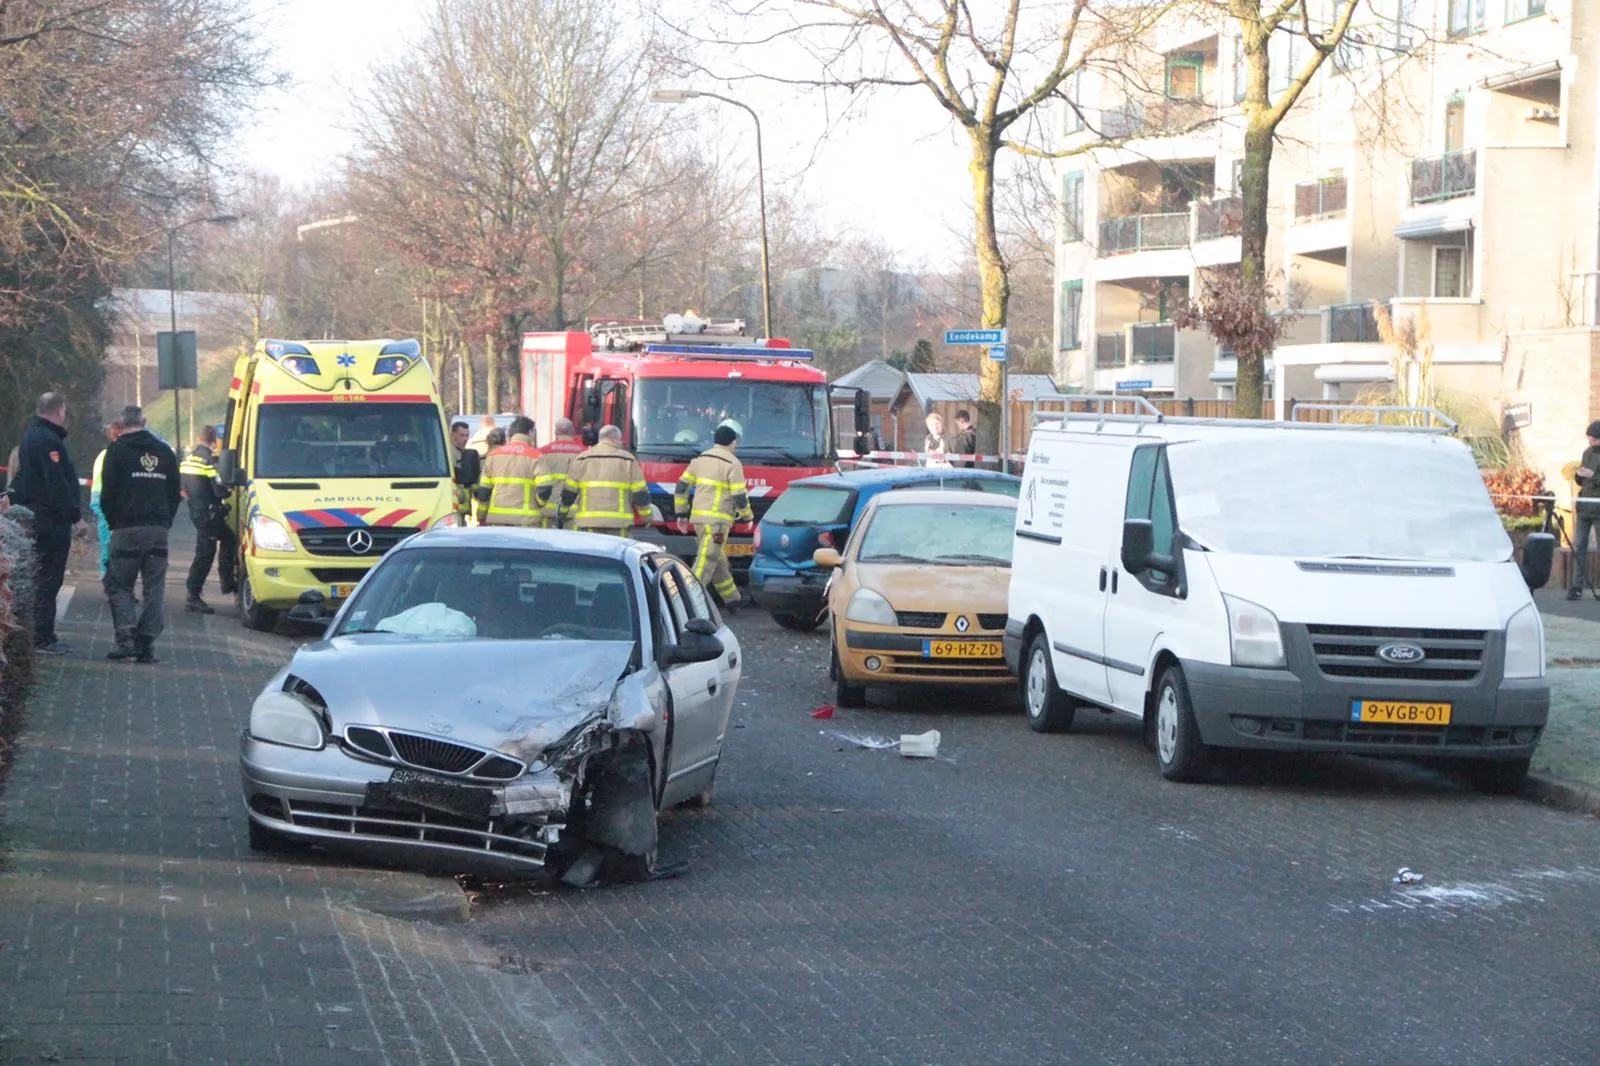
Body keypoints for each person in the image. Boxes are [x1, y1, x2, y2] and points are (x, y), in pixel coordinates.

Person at [4, 393, 86, 655]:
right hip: (50, 520)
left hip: (37, 516)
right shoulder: (49, 441)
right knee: (49, 578)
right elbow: (57, 484)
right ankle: (43, 637)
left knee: (40, 578)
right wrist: (76, 516)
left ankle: (37, 634)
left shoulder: (32, 437)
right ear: (60, 411)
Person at [98, 405, 180, 663]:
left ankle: (126, 637)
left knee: (118, 584)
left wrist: (114, 522)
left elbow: (107, 493)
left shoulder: (117, 450)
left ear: (122, 423)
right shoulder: (164, 452)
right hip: (157, 531)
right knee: (154, 588)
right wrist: (164, 522)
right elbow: (174, 493)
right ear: (144, 421)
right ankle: (147, 644)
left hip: (126, 529)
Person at [675, 419, 754, 609]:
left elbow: (681, 488)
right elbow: (739, 496)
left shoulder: (699, 459)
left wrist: (681, 515)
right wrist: (748, 517)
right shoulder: (732, 463)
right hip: (718, 522)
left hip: (699, 520)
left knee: (717, 559)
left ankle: (732, 599)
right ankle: (686, 600)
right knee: (707, 560)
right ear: (733, 442)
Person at [179, 424, 237, 614]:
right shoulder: (208, 462)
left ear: (198, 438)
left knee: (216, 544)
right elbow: (219, 490)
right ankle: (198, 593)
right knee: (208, 552)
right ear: (214, 441)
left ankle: (223, 584)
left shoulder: (187, 460)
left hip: (197, 512)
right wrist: (229, 489)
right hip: (210, 513)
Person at [558, 425, 649, 536]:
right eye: (620, 441)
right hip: (619, 524)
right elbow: (640, 494)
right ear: (615, 439)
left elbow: (569, 493)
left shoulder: (582, 459)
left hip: (588, 523)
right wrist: (646, 517)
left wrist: (562, 513)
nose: (621, 444)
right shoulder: (628, 459)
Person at [479, 416, 544, 527]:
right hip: (526, 521)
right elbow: (545, 487)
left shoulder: (494, 455)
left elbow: (484, 491)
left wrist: (481, 515)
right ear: (530, 432)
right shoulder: (535, 455)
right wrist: (539, 504)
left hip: (497, 519)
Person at [532, 418, 585, 528]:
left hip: (546, 510)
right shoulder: (585, 453)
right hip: (574, 511)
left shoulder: (541, 452)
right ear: (573, 432)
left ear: (556, 432)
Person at [89, 420, 125, 578]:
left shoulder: (103, 454)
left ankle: (108, 579)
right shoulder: (117, 454)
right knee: (117, 545)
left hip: (99, 500)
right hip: (110, 502)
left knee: (107, 543)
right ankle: (113, 581)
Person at [1569, 420, 1600, 600]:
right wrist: (1579, 475)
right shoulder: (1587, 453)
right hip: (1584, 508)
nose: (1591, 443)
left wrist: (1593, 476)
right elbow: (1583, 480)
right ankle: (1576, 586)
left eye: (1594, 440)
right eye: (1589, 439)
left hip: (1598, 508)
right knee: (1579, 546)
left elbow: (1595, 478)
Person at [450, 419, 480, 520]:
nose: (466, 439)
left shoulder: (463, 452)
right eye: (462, 435)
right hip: (454, 504)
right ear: (453, 434)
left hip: (463, 505)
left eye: (467, 435)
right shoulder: (449, 453)